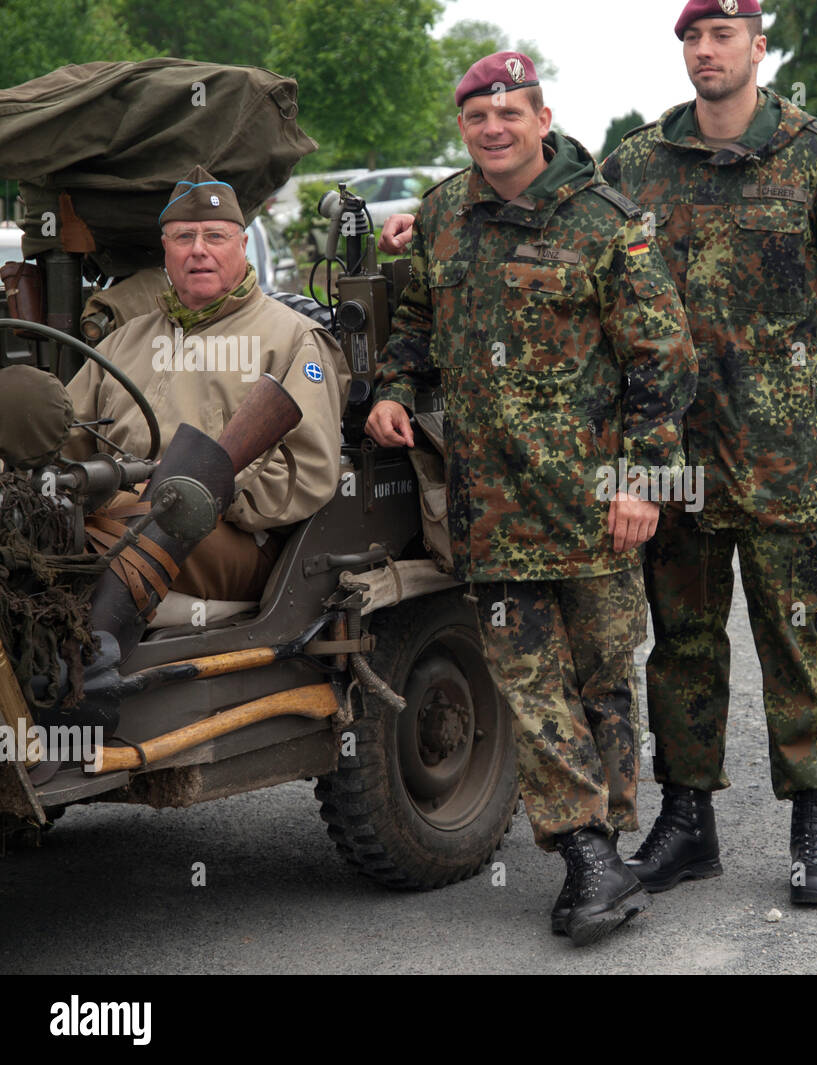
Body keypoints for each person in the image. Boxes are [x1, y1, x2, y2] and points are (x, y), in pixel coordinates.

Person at [365, 52, 697, 945]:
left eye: (510, 113)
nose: (494, 129)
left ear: (543, 119)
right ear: (463, 126)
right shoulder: (441, 214)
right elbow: (415, 324)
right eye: (477, 117)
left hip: (592, 502)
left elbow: (661, 360)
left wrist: (643, 480)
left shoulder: (606, 223)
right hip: (491, 507)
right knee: (526, 681)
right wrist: (393, 386)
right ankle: (585, 851)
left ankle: (612, 838)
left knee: (601, 679)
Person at [597, 0, 817, 907]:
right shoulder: (640, 162)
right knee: (681, 643)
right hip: (672, 452)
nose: (703, 50)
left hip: (781, 457)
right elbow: (585, 257)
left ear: (758, 48)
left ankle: (815, 818)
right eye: (690, 36)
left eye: (721, 35)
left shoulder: (814, 153)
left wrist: (788, 374)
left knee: (793, 636)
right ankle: (688, 823)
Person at [64, 166, 350, 602]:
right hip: (115, 513)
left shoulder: (293, 340)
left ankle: (90, 662)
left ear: (243, 245)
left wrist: (204, 494)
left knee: (122, 535)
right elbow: (70, 434)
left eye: (215, 236)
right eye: (184, 238)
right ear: (166, 251)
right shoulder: (126, 339)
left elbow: (306, 470)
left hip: (230, 534)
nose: (198, 251)